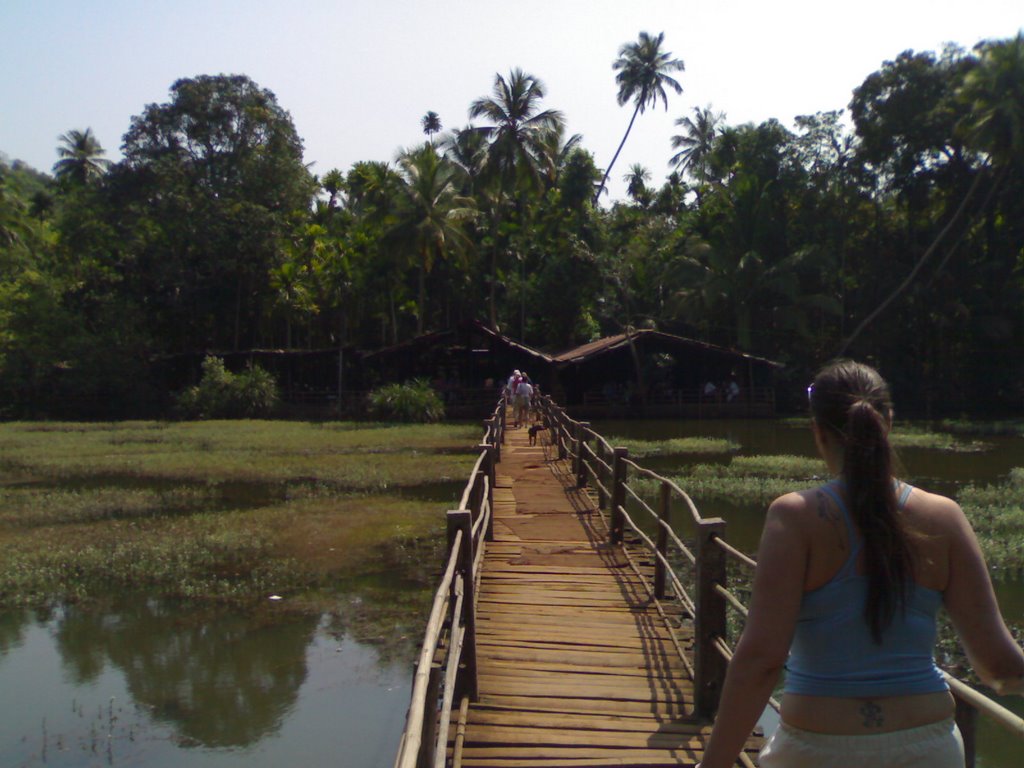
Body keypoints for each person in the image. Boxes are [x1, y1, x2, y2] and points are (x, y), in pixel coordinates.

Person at [697, 359, 1024, 768]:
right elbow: (999, 665)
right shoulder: (944, 517)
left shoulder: (795, 517)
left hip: (817, 750)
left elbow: (762, 660)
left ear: (817, 433)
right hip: (930, 748)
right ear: (888, 422)